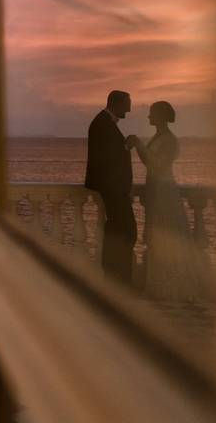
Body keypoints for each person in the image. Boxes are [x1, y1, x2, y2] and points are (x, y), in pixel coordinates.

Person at [129, 101, 203, 301]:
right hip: (155, 190)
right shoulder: (159, 137)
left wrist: (138, 144)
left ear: (160, 116)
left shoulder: (169, 140)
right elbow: (150, 162)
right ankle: (158, 284)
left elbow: (157, 165)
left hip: (164, 191)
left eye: (151, 114)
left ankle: (172, 287)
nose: (148, 117)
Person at [84, 90, 136, 285]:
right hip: (113, 189)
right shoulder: (102, 124)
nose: (129, 109)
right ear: (117, 103)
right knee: (125, 232)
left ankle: (116, 277)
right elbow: (107, 157)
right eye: (127, 104)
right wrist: (126, 146)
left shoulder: (103, 122)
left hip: (114, 189)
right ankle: (118, 278)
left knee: (120, 232)